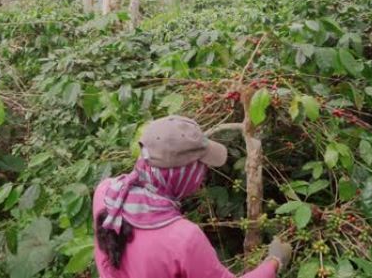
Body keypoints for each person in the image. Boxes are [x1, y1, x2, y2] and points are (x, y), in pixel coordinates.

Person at [93, 115, 292, 278]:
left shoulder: (107, 192)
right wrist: (273, 261)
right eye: (200, 167)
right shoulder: (184, 238)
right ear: (182, 175)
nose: (204, 174)